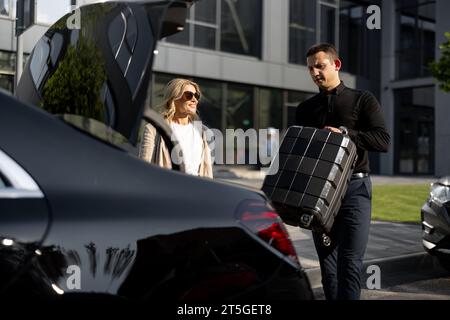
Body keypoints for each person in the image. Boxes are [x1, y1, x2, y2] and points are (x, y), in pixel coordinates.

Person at [295, 43, 390, 300]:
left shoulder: (363, 99)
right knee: (328, 267)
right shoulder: (304, 110)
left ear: (336, 65)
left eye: (320, 65)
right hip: (318, 194)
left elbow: (383, 140)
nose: (315, 72)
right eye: (311, 68)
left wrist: (345, 135)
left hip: (355, 191)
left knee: (349, 262)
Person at [139, 78, 213, 178]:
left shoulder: (203, 132)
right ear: (174, 98)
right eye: (189, 95)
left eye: (196, 95)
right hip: (167, 189)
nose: (194, 99)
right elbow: (143, 168)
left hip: (197, 190)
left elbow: (207, 171)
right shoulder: (153, 129)